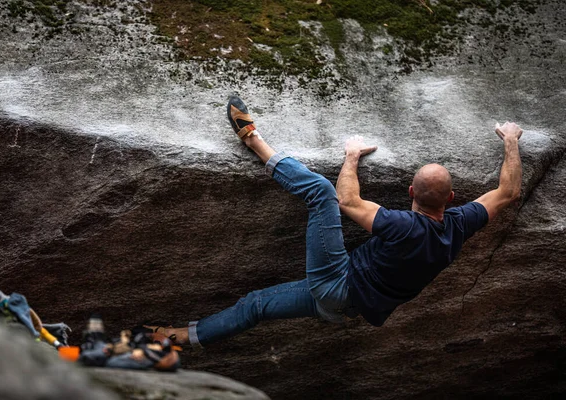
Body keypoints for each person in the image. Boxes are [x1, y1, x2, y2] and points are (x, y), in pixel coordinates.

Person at [146, 96, 523, 347]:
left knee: (319, 192)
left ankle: (254, 140)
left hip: (337, 281)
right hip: (343, 309)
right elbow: (508, 192)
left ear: (410, 191)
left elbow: (345, 200)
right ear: (453, 199)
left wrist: (352, 155)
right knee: (256, 306)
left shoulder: (403, 226)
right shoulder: (461, 223)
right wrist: (511, 139)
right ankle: (179, 337)